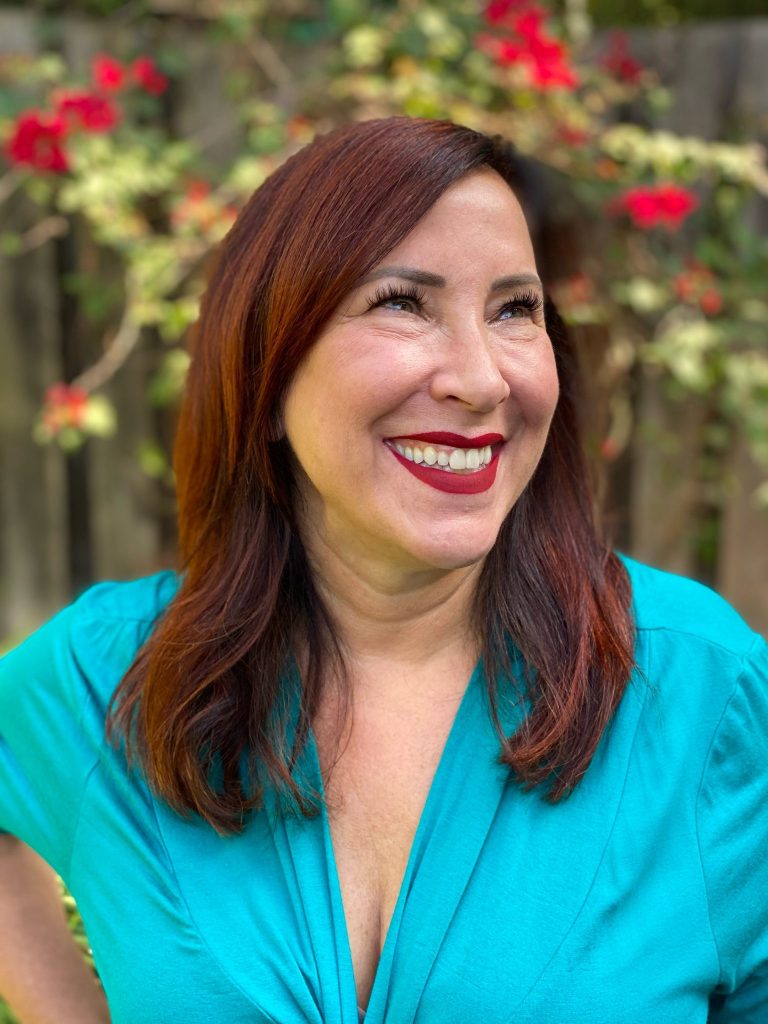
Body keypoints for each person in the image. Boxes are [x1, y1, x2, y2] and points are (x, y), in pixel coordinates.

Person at [0, 116, 766, 1024]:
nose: (482, 380)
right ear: (267, 374)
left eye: (514, 309)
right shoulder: (109, 677)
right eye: (402, 300)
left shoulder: (702, 691)